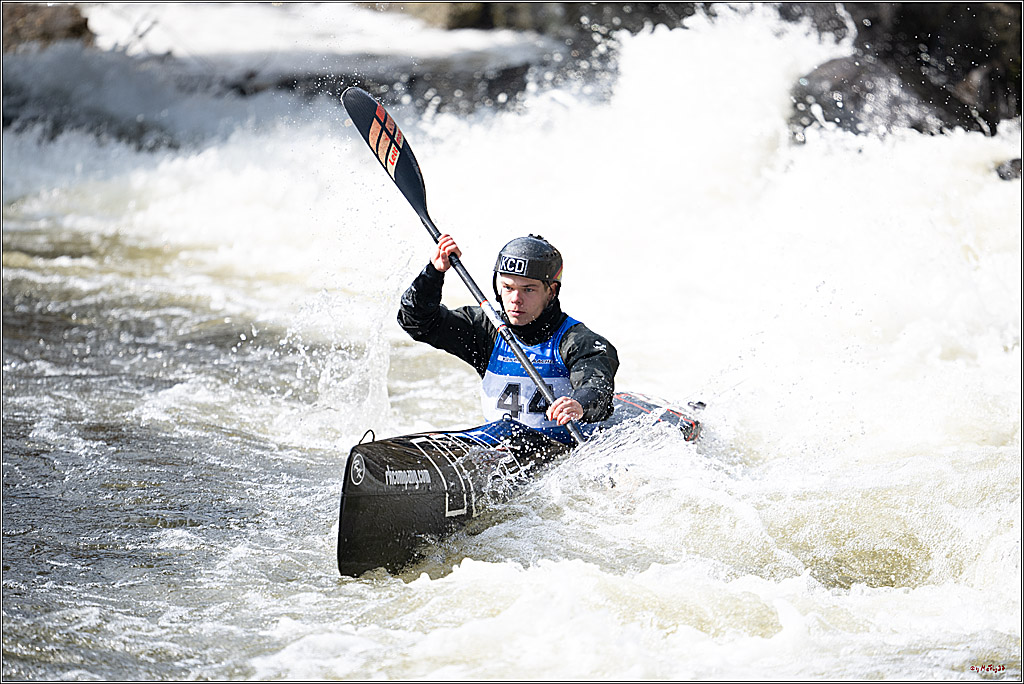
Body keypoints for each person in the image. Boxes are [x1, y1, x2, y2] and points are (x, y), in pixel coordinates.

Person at [398, 233, 618, 437]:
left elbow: (598, 386)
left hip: (556, 450)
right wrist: (434, 273)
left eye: (528, 289)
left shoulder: (578, 341)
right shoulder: (485, 330)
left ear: (551, 291)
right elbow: (417, 322)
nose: (515, 299)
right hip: (498, 450)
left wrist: (578, 404)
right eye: (508, 287)